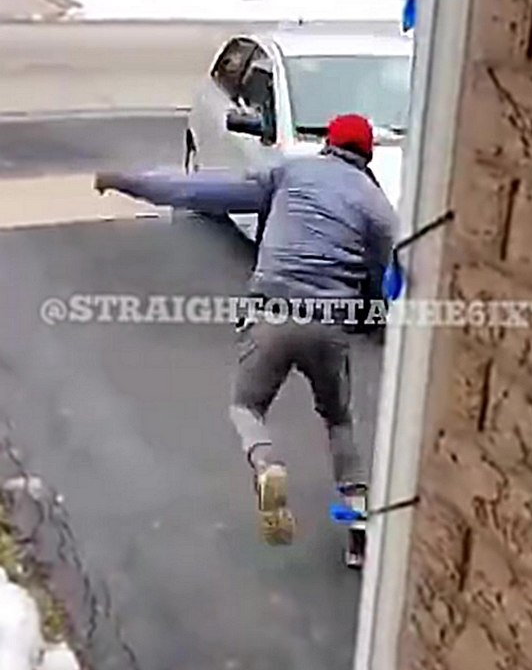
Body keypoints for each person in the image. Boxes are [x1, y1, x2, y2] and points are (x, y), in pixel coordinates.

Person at [94, 114, 397, 545]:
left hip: (271, 313)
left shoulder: (291, 171)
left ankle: (267, 464)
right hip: (328, 325)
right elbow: (388, 274)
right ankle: (359, 520)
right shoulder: (376, 203)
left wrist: (127, 180)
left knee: (246, 407)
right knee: (337, 420)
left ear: (328, 143)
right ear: (367, 156)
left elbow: (200, 190)